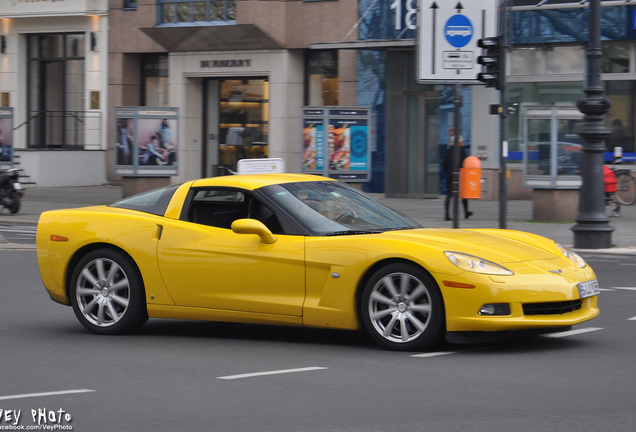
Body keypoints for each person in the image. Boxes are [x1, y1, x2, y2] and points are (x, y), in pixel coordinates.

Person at [443, 133, 473, 221]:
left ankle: (447, 214)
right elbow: (465, 163)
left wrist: (449, 171)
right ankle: (466, 212)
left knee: (449, 195)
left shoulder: (448, 151)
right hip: (460, 175)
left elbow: (444, 165)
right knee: (463, 195)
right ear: (459, 142)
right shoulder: (461, 150)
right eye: (462, 142)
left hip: (449, 175)